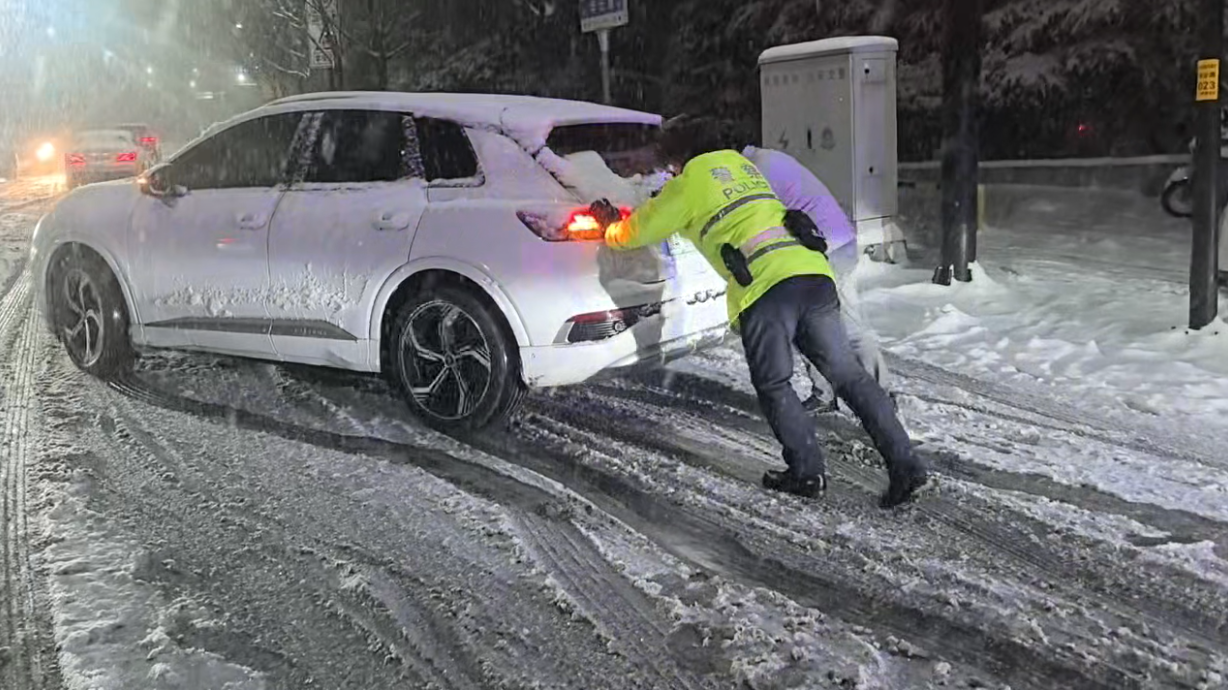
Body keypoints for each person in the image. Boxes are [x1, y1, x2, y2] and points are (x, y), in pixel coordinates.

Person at [590, 121, 928, 508]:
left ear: (678, 158)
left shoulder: (687, 185)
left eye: (670, 164)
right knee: (848, 374)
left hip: (767, 290)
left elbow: (637, 232)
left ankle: (806, 472)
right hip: (813, 276)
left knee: (775, 384)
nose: (669, 171)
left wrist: (610, 226)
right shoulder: (744, 168)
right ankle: (906, 465)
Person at [739, 141, 896, 414]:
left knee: (850, 330)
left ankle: (882, 397)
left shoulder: (758, 170)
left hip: (829, 250)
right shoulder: (768, 159)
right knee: (808, 324)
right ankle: (825, 393)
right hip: (830, 244)